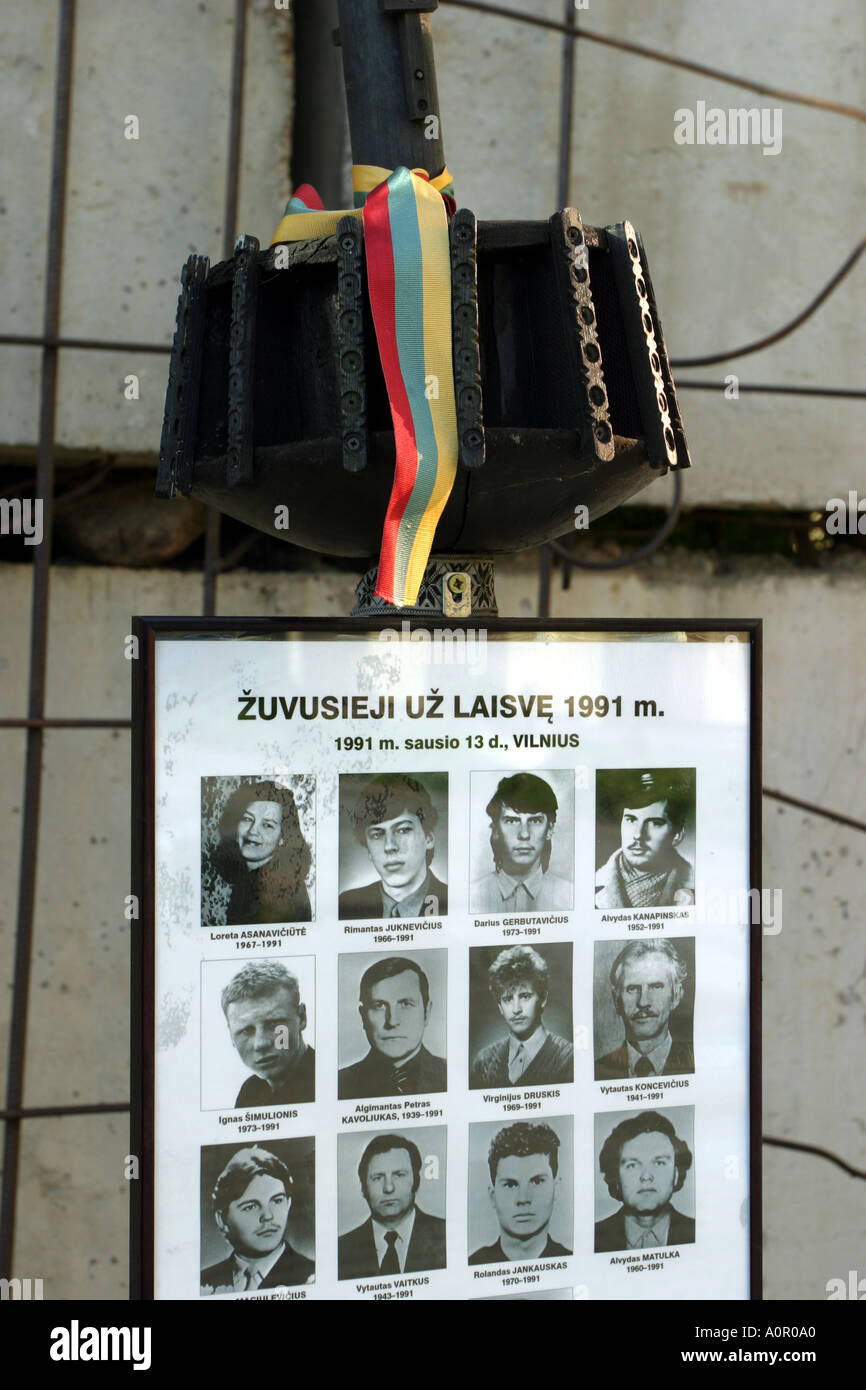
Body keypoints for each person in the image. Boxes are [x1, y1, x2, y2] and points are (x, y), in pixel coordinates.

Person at [200, 1146, 314, 1294]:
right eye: (250, 1207)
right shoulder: (202, 1283)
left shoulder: (312, 1276)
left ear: (288, 1204)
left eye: (277, 1201)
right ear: (222, 1220)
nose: (268, 1216)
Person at [338, 1134, 446, 1279]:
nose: (388, 1188)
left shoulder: (447, 1235)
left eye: (399, 1175)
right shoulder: (341, 1250)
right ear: (364, 1188)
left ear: (416, 1181)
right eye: (377, 1178)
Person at [339, 774, 447, 920]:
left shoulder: (452, 900)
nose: (389, 846)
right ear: (369, 851)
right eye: (377, 835)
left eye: (403, 830)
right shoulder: (345, 906)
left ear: (428, 838)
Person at [339, 956, 446, 1099]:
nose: (392, 1021)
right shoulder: (339, 1084)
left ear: (426, 1013)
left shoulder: (454, 1076)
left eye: (406, 1004)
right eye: (379, 1006)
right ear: (363, 1017)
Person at [209, 780, 312, 925]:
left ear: (283, 837)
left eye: (267, 825)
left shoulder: (277, 892)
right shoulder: (252, 879)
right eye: (247, 819)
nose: (252, 830)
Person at [470, 945, 573, 1089]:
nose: (516, 1009)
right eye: (507, 999)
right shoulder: (483, 1062)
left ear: (543, 999)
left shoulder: (569, 1058)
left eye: (525, 996)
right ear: (500, 1006)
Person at [469, 1121, 572, 1265]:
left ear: (556, 1189)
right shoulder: (474, 1264)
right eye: (510, 1185)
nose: (523, 1198)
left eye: (537, 1182)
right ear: (492, 1196)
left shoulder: (572, 1261)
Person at [594, 1111, 695, 1252]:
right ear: (616, 1177)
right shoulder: (594, 1239)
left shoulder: (697, 1233)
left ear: (677, 1173)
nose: (646, 1176)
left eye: (659, 1163)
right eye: (632, 1165)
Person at [472, 773, 571, 913]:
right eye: (512, 821)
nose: (524, 834)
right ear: (495, 830)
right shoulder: (472, 896)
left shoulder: (570, 897)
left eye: (535, 821)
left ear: (549, 830)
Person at [595, 940, 694, 1080]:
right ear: (617, 1000)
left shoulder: (697, 1063)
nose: (643, 1002)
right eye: (632, 988)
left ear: (676, 996)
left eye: (655, 986)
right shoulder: (598, 1072)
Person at [595, 771, 694, 909]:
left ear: (677, 835)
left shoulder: (698, 888)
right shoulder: (591, 886)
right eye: (631, 820)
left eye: (655, 823)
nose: (638, 835)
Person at [221, 961, 315, 1106]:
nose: (261, 1043)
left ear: (301, 1018)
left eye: (273, 1024)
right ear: (230, 1035)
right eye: (246, 1030)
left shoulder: (327, 1080)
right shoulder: (250, 1092)